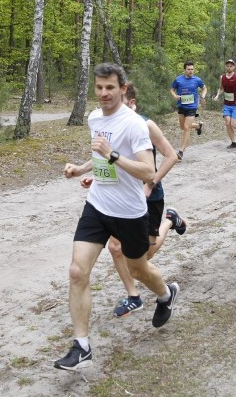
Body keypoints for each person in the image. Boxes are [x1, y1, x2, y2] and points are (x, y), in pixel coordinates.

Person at [57, 63, 179, 371]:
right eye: (99, 87)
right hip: (97, 207)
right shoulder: (94, 117)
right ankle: (82, 347)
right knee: (76, 271)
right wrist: (83, 170)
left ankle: (165, 294)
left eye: (110, 87)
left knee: (138, 269)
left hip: (129, 213)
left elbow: (147, 170)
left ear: (122, 89)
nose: (103, 93)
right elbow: (101, 154)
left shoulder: (135, 123)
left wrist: (112, 155)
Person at [107, 82, 185, 318]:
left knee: (145, 256)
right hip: (121, 196)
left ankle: (170, 220)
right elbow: (111, 159)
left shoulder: (146, 124)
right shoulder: (112, 126)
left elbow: (171, 156)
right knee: (115, 247)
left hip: (149, 197)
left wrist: (150, 184)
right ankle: (133, 296)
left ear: (132, 103)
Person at [170, 61, 206, 159]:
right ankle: (198, 126)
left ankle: (181, 152)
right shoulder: (178, 80)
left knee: (186, 127)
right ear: (185, 70)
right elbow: (172, 89)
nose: (191, 71)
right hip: (181, 106)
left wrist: (202, 96)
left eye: (192, 69)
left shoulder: (197, 80)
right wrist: (175, 96)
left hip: (192, 107)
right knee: (182, 126)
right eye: (189, 69)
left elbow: (204, 88)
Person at [213, 59, 236, 148]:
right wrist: (217, 95)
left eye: (231, 66)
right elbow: (221, 88)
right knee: (227, 123)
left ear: (234, 67)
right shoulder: (222, 77)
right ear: (226, 67)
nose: (229, 67)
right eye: (227, 66)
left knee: (234, 124)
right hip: (227, 104)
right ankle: (233, 143)